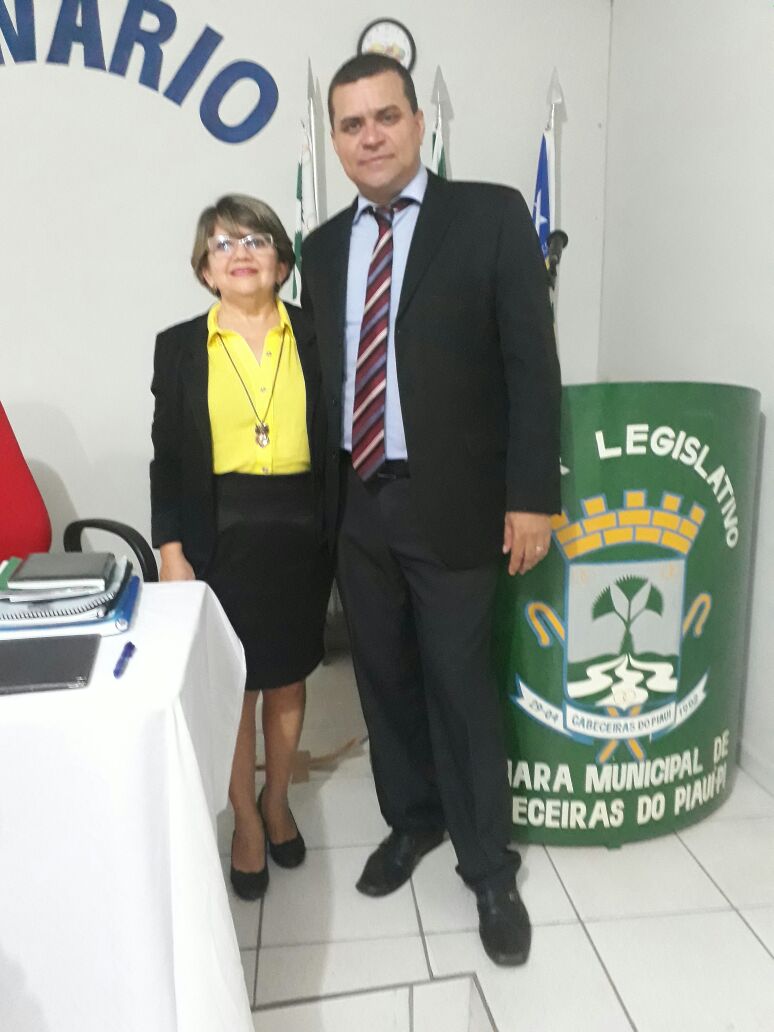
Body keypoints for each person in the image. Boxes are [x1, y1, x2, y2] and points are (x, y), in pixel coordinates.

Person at [301, 55, 561, 966]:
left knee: (460, 686)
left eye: (385, 117)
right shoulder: (321, 249)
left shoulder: (489, 217)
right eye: (351, 124)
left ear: (418, 124)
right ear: (335, 140)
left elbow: (532, 366)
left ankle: (488, 866)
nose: (369, 136)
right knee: (383, 678)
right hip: (357, 501)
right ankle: (413, 819)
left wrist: (532, 496)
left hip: (454, 502)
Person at [150, 195, 331, 900]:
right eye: (223, 244)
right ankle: (246, 822)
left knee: (286, 678)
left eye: (256, 240)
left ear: (282, 263)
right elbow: (168, 460)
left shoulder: (317, 335)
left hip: (301, 532)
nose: (241, 253)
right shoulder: (178, 347)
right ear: (205, 270)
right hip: (216, 534)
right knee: (234, 685)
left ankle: (277, 800)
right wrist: (170, 547)